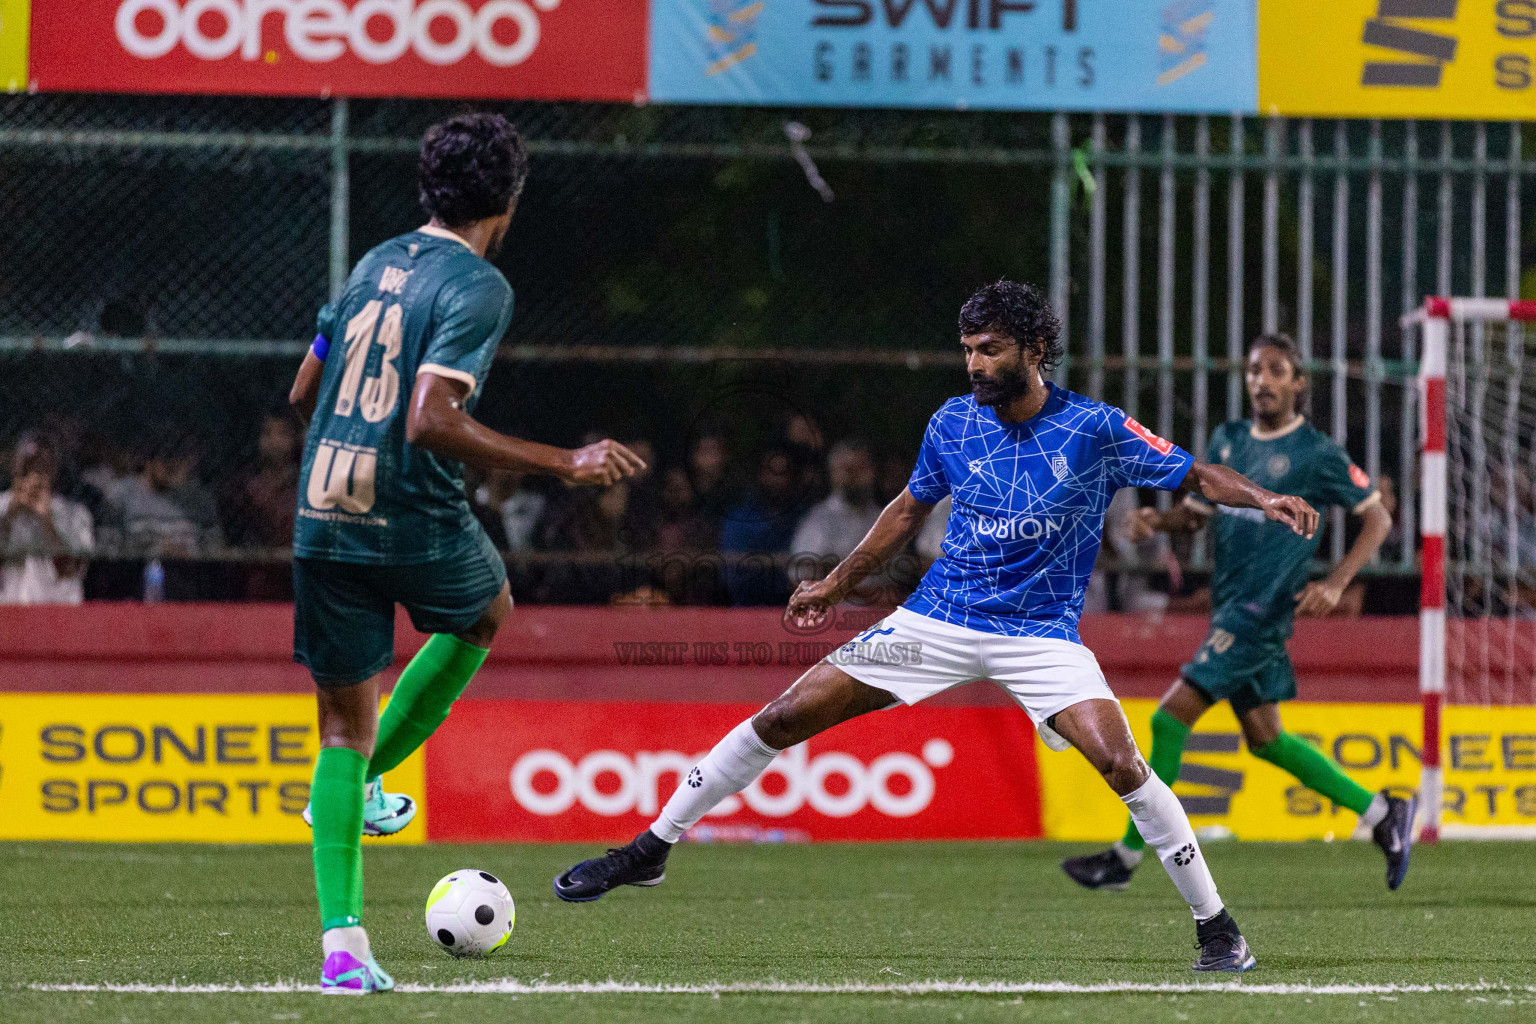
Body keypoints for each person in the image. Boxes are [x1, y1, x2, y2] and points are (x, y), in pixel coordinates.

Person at [553, 281, 1321, 973]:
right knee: (783, 715)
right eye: (967, 350)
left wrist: (1265, 498)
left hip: (1041, 637)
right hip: (938, 619)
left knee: (1122, 765)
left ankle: (1218, 928)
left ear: (1036, 349)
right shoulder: (952, 422)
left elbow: (1195, 474)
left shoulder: (1097, 427)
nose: (975, 365)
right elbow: (905, 512)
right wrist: (834, 583)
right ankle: (649, 849)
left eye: (990, 350)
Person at [286, 113, 644, 994]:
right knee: (486, 610)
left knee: (339, 728)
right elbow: (431, 420)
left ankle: (343, 946)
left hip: (322, 503)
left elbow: (303, 390)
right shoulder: (477, 284)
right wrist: (567, 462)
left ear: (425, 190)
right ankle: (368, 780)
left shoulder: (373, 264)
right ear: (510, 202)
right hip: (407, 507)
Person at [1061, 334, 1410, 896]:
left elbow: (1378, 520)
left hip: (1261, 611)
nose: (1262, 381)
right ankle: (1380, 813)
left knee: (1168, 718)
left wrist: (1337, 581)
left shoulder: (1317, 453)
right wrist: (1159, 520)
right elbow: (1198, 514)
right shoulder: (1227, 439)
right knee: (1266, 739)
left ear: (1299, 383)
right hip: (1230, 605)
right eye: (1254, 371)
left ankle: (1124, 858)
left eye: (1276, 371)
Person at [0, 435, 93, 605]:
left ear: (53, 469)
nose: (34, 474)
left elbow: (70, 570)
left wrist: (47, 521)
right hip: (9, 608)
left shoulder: (74, 513)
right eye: (28, 466)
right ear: (16, 467)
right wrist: (9, 516)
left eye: (42, 466)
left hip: (56, 610)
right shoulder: (3, 506)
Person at [787, 439, 885, 595]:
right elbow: (799, 580)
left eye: (862, 469)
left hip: (883, 613)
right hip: (834, 614)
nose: (856, 477)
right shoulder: (818, 521)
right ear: (833, 473)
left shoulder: (884, 517)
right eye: (848, 470)